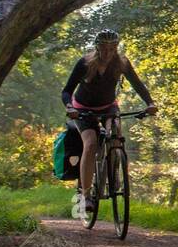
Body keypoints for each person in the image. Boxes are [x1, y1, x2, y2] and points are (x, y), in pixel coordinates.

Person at [61, 29, 156, 217]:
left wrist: (150, 103)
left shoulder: (121, 63)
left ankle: (114, 174)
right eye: (104, 48)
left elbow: (138, 85)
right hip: (83, 109)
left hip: (108, 107)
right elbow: (67, 91)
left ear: (116, 48)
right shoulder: (85, 63)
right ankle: (86, 195)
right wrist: (69, 107)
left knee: (116, 136)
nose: (107, 53)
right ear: (97, 47)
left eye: (112, 48)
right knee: (90, 144)